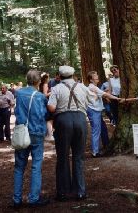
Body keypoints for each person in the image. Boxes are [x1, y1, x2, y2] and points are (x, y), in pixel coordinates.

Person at [47, 65, 95, 201]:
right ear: (73, 76)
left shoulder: (56, 89)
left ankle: (62, 192)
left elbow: (51, 108)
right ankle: (80, 191)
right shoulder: (82, 87)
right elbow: (92, 100)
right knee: (78, 157)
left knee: (62, 157)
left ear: (60, 76)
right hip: (80, 119)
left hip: (63, 121)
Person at [12, 70, 49, 208]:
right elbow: (42, 114)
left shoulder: (19, 93)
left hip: (22, 132)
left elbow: (17, 111)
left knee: (19, 167)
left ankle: (16, 200)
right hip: (36, 133)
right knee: (36, 166)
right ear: (38, 81)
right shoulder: (40, 97)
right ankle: (33, 199)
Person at [86, 71, 122, 157]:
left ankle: (107, 145)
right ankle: (95, 152)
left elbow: (102, 93)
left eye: (97, 75)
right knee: (96, 130)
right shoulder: (92, 87)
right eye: (95, 76)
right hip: (93, 111)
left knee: (103, 128)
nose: (97, 77)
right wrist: (117, 98)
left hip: (96, 111)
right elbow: (105, 95)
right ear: (91, 80)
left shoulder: (94, 87)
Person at [39, 73, 54, 141]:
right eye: (48, 78)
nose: (49, 79)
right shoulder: (45, 85)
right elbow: (45, 95)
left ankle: (47, 134)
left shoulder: (41, 85)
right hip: (46, 102)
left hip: (43, 103)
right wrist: (51, 92)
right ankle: (50, 135)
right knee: (49, 119)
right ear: (45, 79)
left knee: (47, 119)